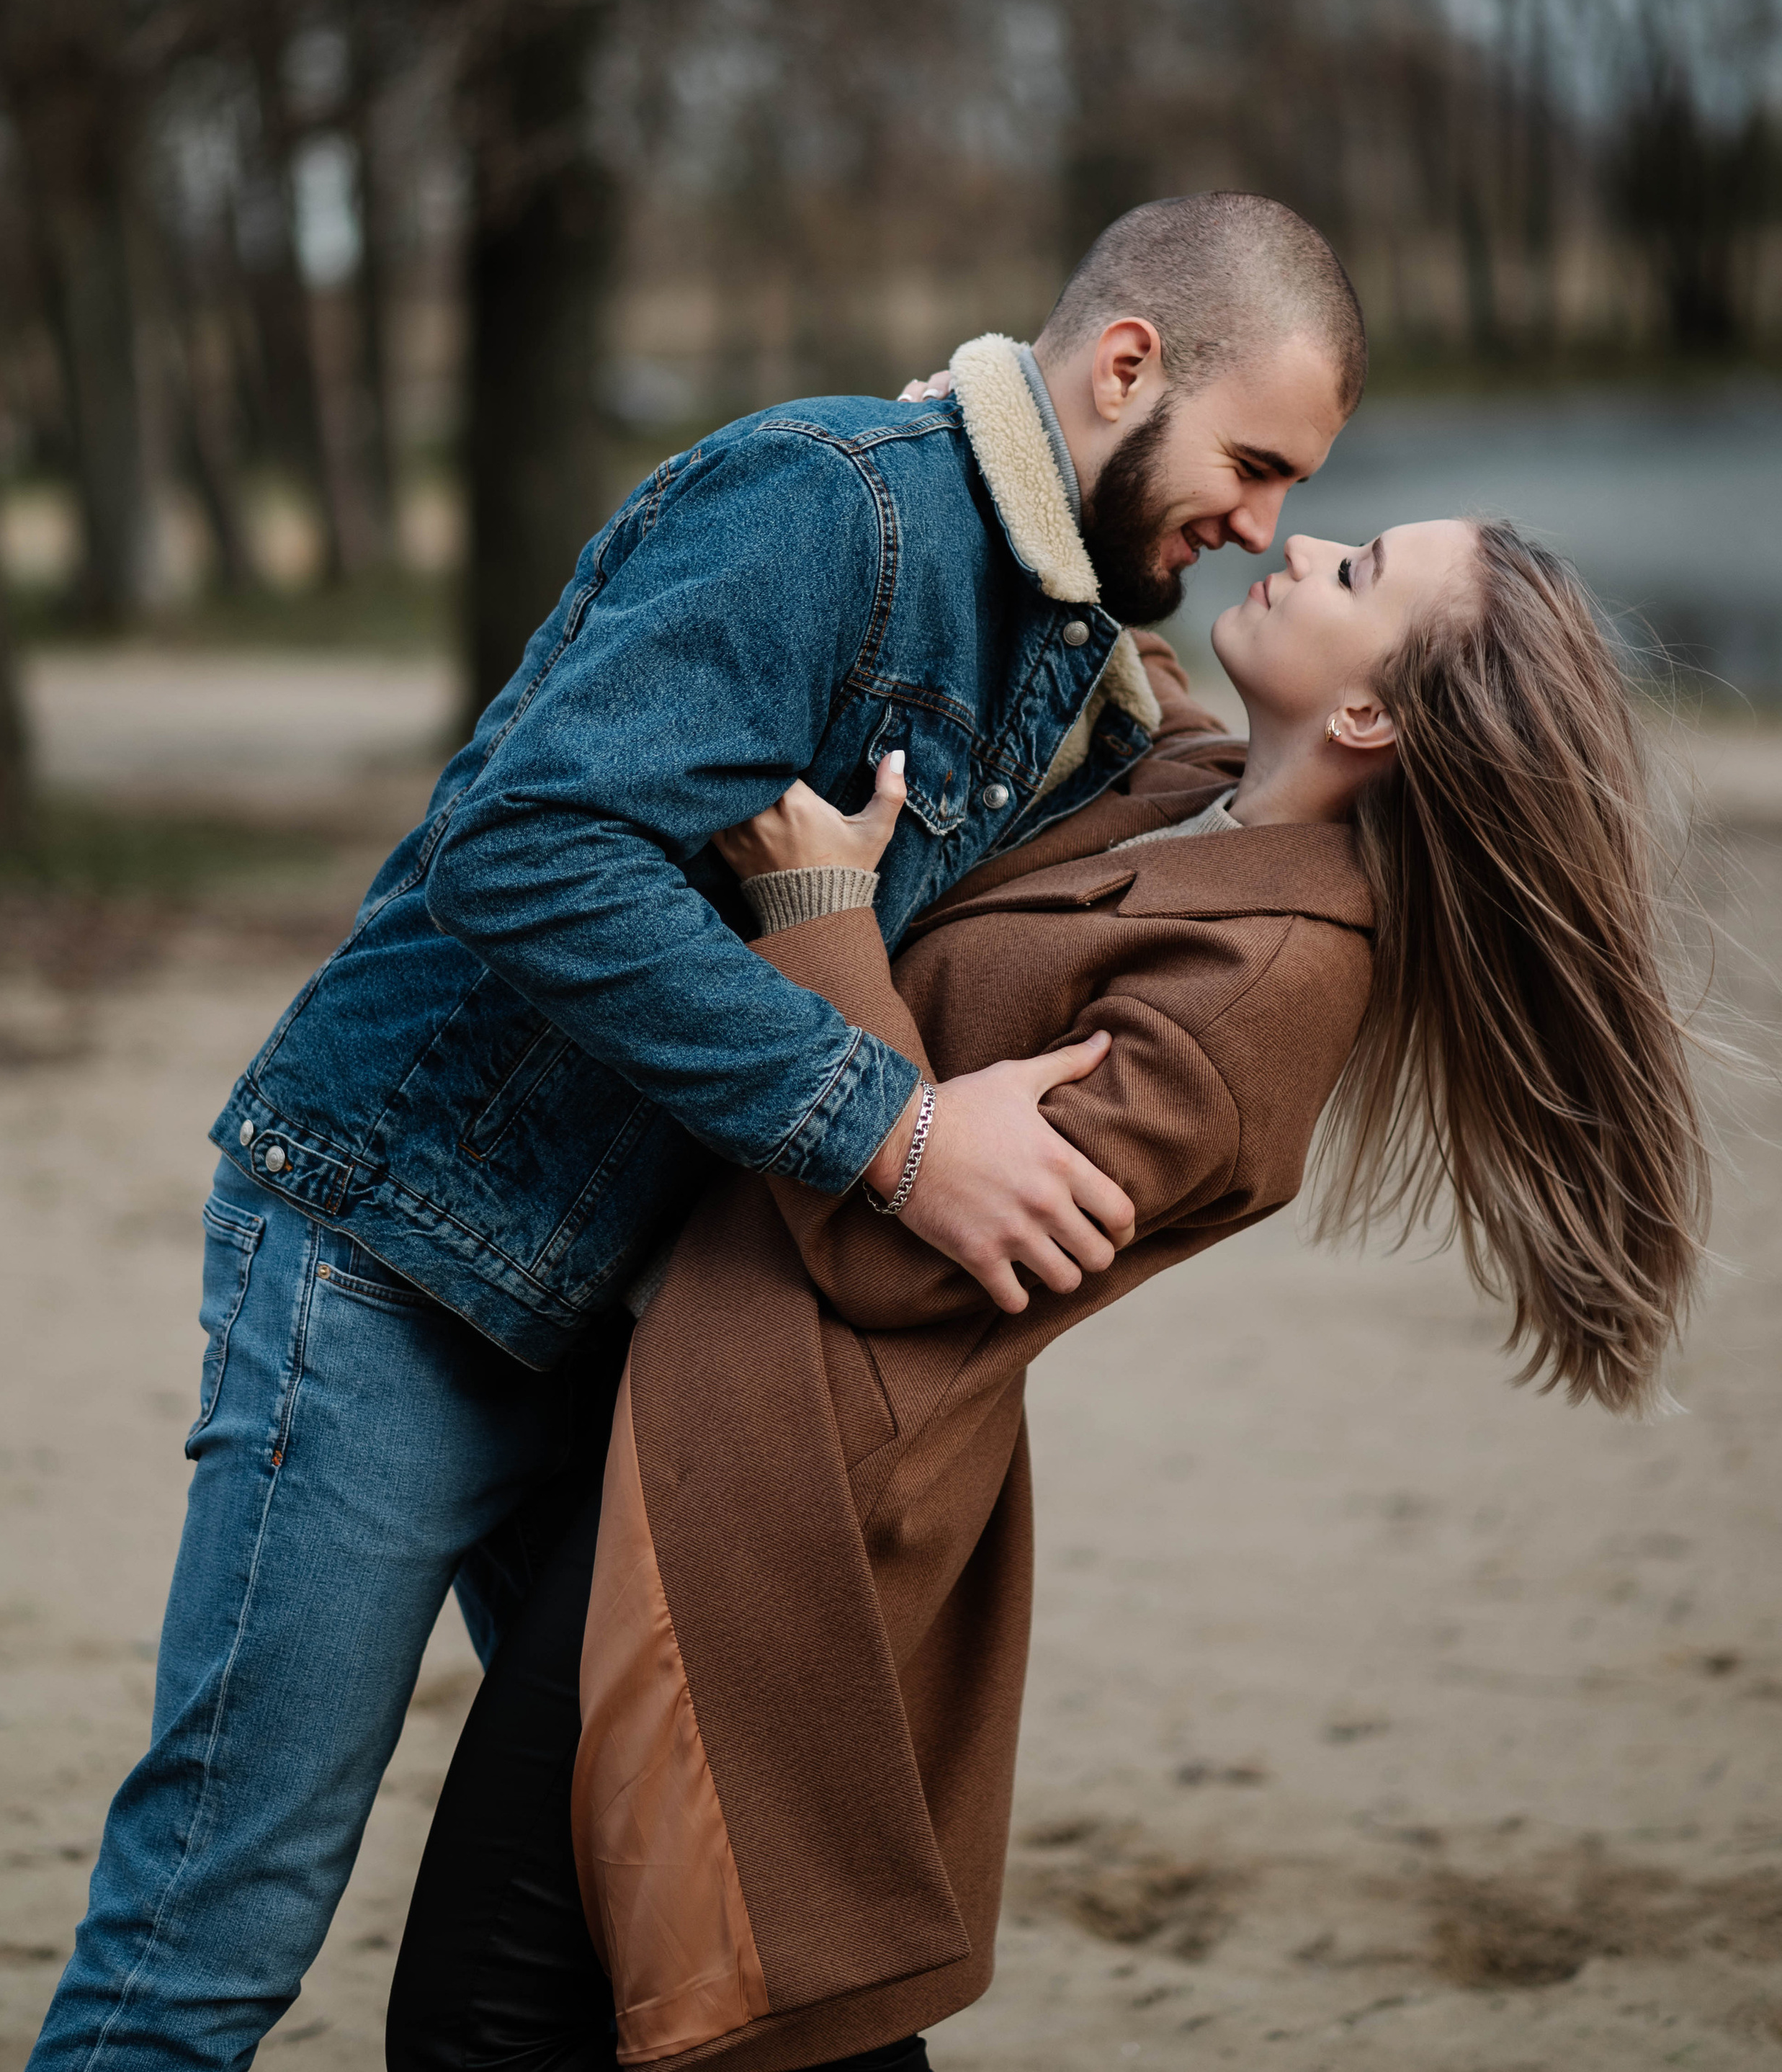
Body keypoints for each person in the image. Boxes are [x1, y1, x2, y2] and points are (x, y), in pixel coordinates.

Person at [28, 194, 1366, 2072]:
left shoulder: (1064, 621)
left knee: (715, 1890)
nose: (1262, 526)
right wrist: (890, 1133)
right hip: (392, 1258)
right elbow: (525, 847)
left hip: (619, 1326)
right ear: (1127, 363)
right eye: (1255, 464)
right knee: (214, 1933)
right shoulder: (831, 500)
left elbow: (1176, 814)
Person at [384, 514, 1710, 2072]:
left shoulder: (1263, 996)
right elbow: (1113, 652)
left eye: (1357, 576)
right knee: (714, 2015)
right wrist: (1004, 479)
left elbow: (899, 1252)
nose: (1308, 540)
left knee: (493, 2009)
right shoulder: (1197, 795)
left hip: (775, 1485)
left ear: (1366, 716)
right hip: (686, 1390)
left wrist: (814, 914)